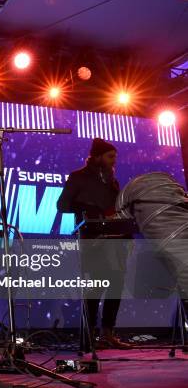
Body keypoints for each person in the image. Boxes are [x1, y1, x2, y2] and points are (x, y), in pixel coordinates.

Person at [57, 138, 132, 349]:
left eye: (115, 157)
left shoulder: (112, 181)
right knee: (95, 288)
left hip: (116, 241)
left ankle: (107, 334)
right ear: (97, 156)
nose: (113, 161)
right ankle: (88, 336)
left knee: (116, 286)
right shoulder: (78, 177)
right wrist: (91, 211)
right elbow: (62, 205)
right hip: (93, 240)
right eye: (110, 157)